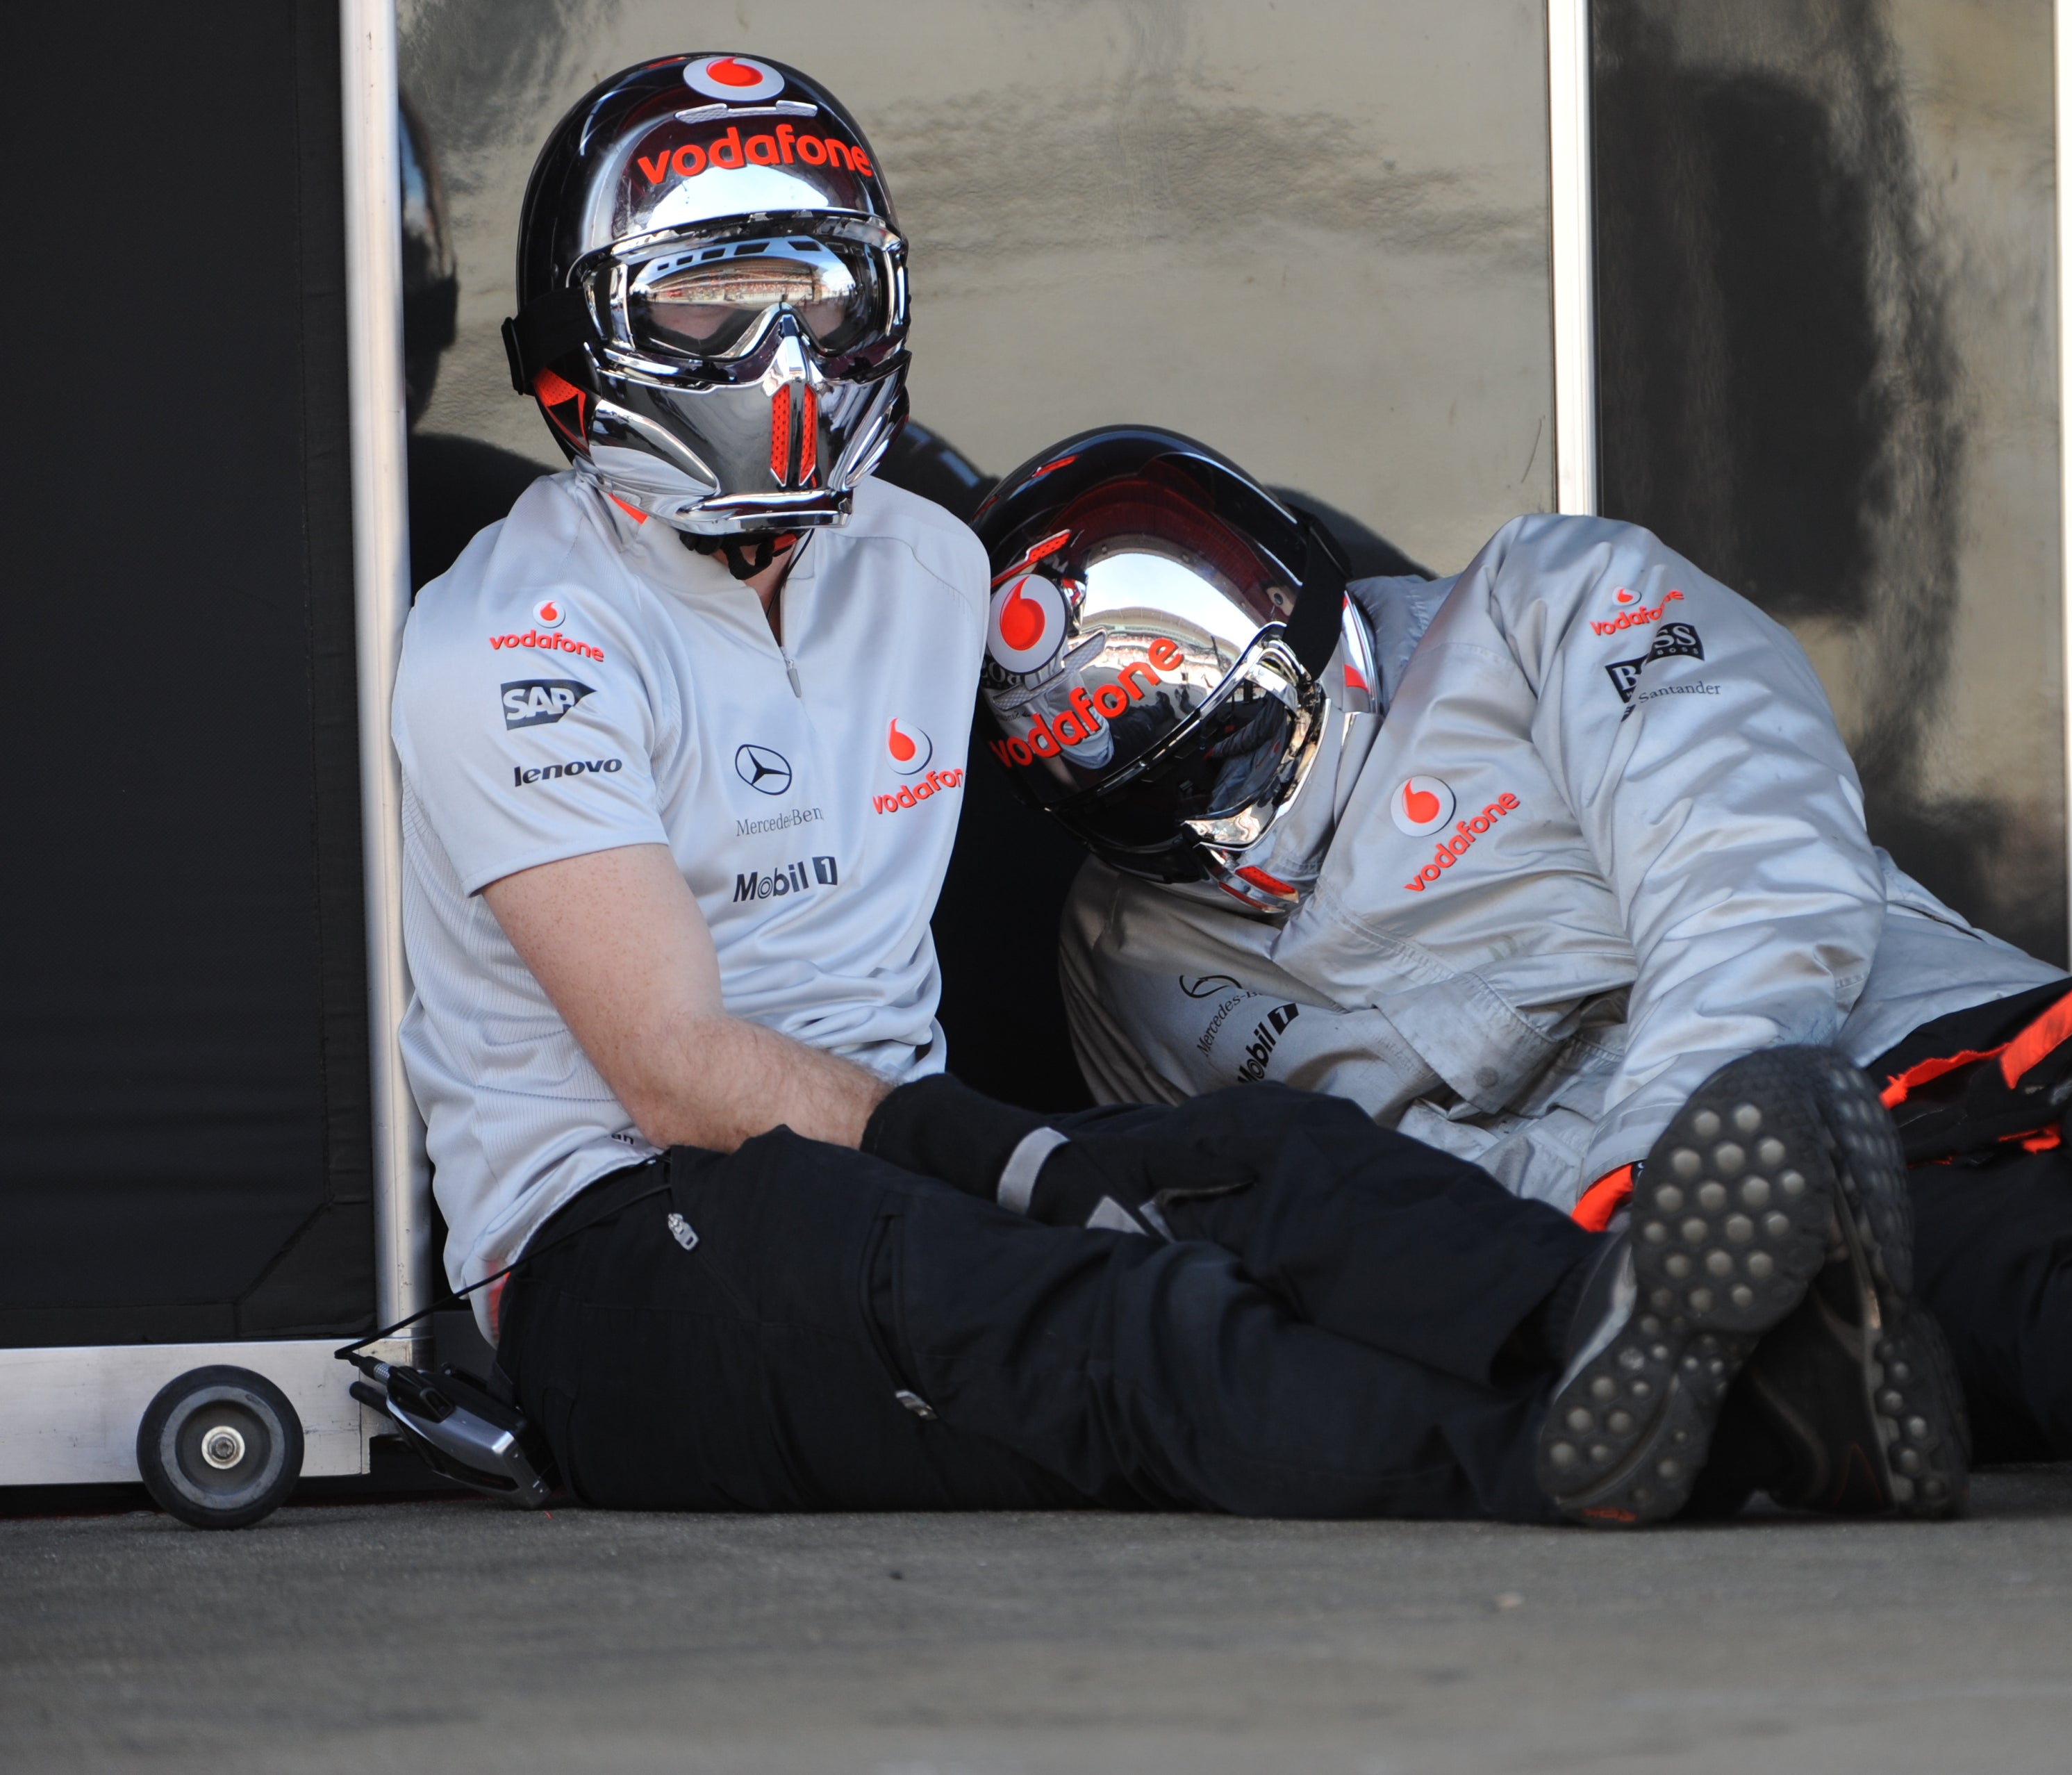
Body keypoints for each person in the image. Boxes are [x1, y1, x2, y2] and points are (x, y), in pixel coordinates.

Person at [395, 53, 1939, 1529]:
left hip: (906, 1166)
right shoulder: (512, 638)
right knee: (1116, 1323)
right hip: (619, 1248)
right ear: (582, 335)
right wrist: (1012, 1158)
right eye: (714, 302)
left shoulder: (931, 568)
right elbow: (674, 1072)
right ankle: (1624, 1451)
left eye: (816, 294)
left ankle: (1683, 1340)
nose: (779, 357)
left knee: (1287, 1161)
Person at [986, 425, 2072, 1518]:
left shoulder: (1546, 601)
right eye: (1151, 811)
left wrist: (1663, 1173)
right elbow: (1280, 1199)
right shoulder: (1121, 954)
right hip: (1746, 1241)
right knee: (2001, 1302)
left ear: (1306, 615)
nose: (1225, 835)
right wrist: (1635, 1249)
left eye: (1243, 751)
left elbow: (1750, 864)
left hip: (1919, 1043)